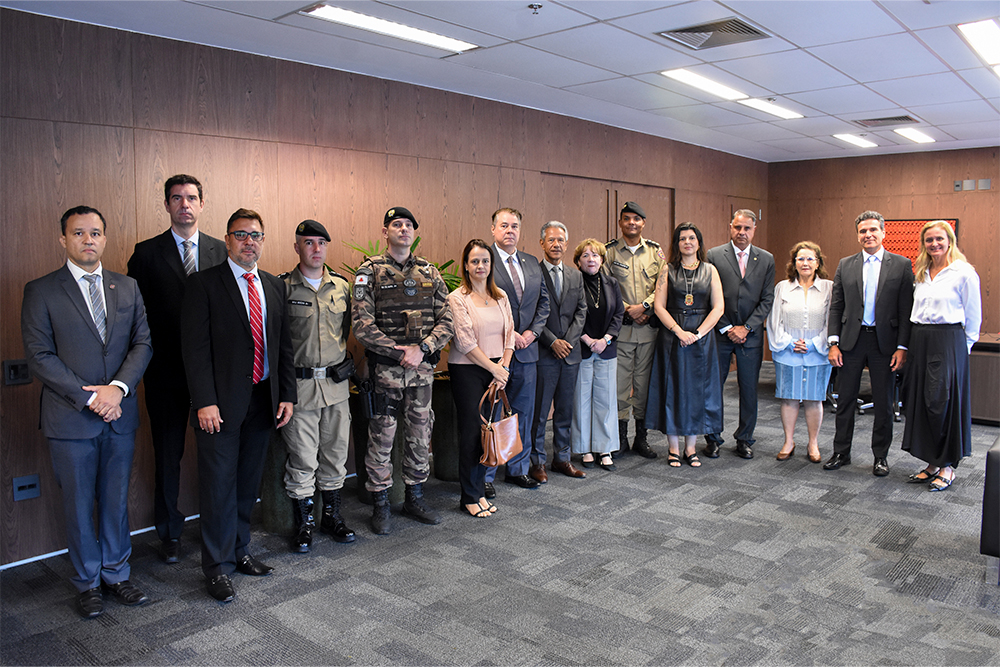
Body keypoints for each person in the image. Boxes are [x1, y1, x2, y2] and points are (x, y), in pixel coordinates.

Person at [21, 206, 153, 619]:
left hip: (120, 414)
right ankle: (88, 582)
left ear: (105, 238)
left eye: (95, 233)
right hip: (71, 418)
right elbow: (39, 356)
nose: (88, 240)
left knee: (115, 501)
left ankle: (117, 573)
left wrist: (116, 389)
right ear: (64, 239)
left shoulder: (127, 287)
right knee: (78, 505)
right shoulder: (41, 290)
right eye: (79, 233)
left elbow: (143, 344)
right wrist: (92, 398)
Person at [181, 208, 297, 603]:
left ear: (263, 241)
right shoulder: (204, 284)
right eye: (241, 235)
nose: (250, 242)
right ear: (228, 241)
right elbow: (194, 351)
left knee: (247, 483)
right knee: (217, 486)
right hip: (220, 406)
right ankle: (216, 567)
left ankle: (239, 550)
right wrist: (205, 402)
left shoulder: (273, 285)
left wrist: (287, 394)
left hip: (263, 400)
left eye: (256, 235)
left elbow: (283, 346)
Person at [127, 174, 227, 563]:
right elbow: (138, 317)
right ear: (167, 205)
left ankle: (216, 527)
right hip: (165, 372)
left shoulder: (222, 250)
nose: (184, 204)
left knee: (215, 454)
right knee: (167, 454)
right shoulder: (146, 253)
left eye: (191, 198)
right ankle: (168, 533)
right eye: (176, 198)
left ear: (202, 204)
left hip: (213, 374)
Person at [352, 206, 453, 534]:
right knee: (381, 436)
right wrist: (400, 351)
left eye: (409, 225)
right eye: (397, 224)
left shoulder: (430, 272)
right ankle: (381, 504)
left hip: (421, 373)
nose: (403, 229)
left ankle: (415, 496)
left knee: (420, 435)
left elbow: (447, 320)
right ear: (386, 231)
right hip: (386, 374)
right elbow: (362, 324)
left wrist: (421, 349)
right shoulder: (369, 272)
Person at [280, 220, 356, 552]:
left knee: (336, 455)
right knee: (302, 458)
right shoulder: (282, 288)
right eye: (308, 243)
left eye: (321, 243)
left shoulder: (341, 287)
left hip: (336, 388)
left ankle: (332, 516)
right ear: (297, 247)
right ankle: (305, 523)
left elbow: (348, 329)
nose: (315, 249)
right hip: (300, 389)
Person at [826, 210, 914, 477]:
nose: (868, 235)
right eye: (863, 231)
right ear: (858, 235)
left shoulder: (901, 264)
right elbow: (836, 306)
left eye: (873, 230)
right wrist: (833, 342)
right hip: (851, 342)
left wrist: (902, 347)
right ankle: (841, 451)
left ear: (883, 233)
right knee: (845, 401)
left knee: (885, 403)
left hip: (884, 343)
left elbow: (905, 309)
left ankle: (880, 456)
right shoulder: (846, 264)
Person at [901, 221, 981, 492]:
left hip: (948, 341)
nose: (934, 244)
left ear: (950, 240)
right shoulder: (922, 271)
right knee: (921, 400)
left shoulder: (964, 273)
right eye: (929, 240)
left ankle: (947, 466)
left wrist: (961, 351)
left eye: (939, 239)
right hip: (920, 340)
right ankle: (932, 464)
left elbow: (973, 318)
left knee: (941, 402)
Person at [645, 223, 724, 467]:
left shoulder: (710, 270)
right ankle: (673, 448)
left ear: (699, 243)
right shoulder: (667, 270)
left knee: (696, 392)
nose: (687, 242)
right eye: (682, 239)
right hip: (672, 337)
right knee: (672, 390)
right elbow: (658, 306)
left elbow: (718, 307)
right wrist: (679, 331)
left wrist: (697, 334)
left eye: (692, 238)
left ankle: (691, 449)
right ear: (677, 244)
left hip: (702, 338)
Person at [447, 240, 515, 517]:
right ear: (465, 265)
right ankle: (470, 496)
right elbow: (464, 342)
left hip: (498, 371)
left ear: (491, 265)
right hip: (469, 370)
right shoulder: (457, 298)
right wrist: (494, 369)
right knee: (473, 433)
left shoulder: (500, 297)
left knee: (488, 432)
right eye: (474, 261)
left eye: (485, 261)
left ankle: (479, 490)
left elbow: (510, 334)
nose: (480, 266)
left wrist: (504, 368)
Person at [487, 207, 550, 493]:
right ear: (493, 229)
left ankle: (517, 468)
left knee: (522, 413)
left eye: (514, 226)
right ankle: (486, 475)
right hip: (495, 352)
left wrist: (532, 333)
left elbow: (543, 303)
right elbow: (480, 301)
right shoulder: (483, 259)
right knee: (491, 413)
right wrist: (510, 333)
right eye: (504, 225)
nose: (510, 230)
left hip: (527, 350)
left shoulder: (531, 262)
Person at [704, 209, 775, 460]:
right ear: (730, 227)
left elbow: (767, 300)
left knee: (748, 389)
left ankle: (745, 439)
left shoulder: (766, 259)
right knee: (714, 388)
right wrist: (726, 327)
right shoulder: (713, 255)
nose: (741, 233)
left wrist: (747, 327)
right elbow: (707, 296)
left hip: (751, 336)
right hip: (720, 333)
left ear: (754, 230)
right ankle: (713, 438)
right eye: (737, 227)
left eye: (746, 228)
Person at [604, 201, 664, 459]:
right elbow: (605, 284)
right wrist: (630, 309)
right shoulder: (609, 252)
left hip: (649, 332)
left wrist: (646, 306)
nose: (631, 223)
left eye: (636, 219)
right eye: (626, 218)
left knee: (643, 386)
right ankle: (620, 437)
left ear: (643, 223)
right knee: (619, 386)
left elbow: (663, 284)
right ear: (620, 222)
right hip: (623, 331)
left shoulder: (655, 252)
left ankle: (641, 437)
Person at [530, 221, 588, 482]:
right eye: (551, 240)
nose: (556, 244)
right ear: (542, 243)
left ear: (567, 244)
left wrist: (569, 341)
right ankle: (537, 462)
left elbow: (581, 310)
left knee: (565, 411)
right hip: (544, 354)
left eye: (560, 240)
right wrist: (553, 341)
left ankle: (562, 459)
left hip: (570, 355)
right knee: (540, 413)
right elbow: (531, 313)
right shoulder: (533, 273)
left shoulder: (576, 275)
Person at [767, 241, 833, 463]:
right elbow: (774, 320)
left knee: (815, 399)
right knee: (789, 398)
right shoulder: (782, 288)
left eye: (810, 259)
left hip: (818, 351)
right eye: (800, 259)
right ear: (794, 263)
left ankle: (813, 443)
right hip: (788, 351)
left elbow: (831, 322)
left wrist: (813, 343)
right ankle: (788, 441)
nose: (805, 263)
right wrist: (790, 342)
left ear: (818, 263)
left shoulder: (829, 288)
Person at [571, 239, 624, 471]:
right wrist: (587, 339)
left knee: (606, 400)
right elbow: (569, 315)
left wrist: (605, 339)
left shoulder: (612, 283)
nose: (590, 259)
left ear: (602, 260)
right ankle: (584, 448)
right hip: (582, 348)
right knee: (581, 400)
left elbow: (619, 314)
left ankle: (604, 448)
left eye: (595, 255)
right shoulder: (572, 283)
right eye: (585, 255)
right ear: (578, 261)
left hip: (606, 348)